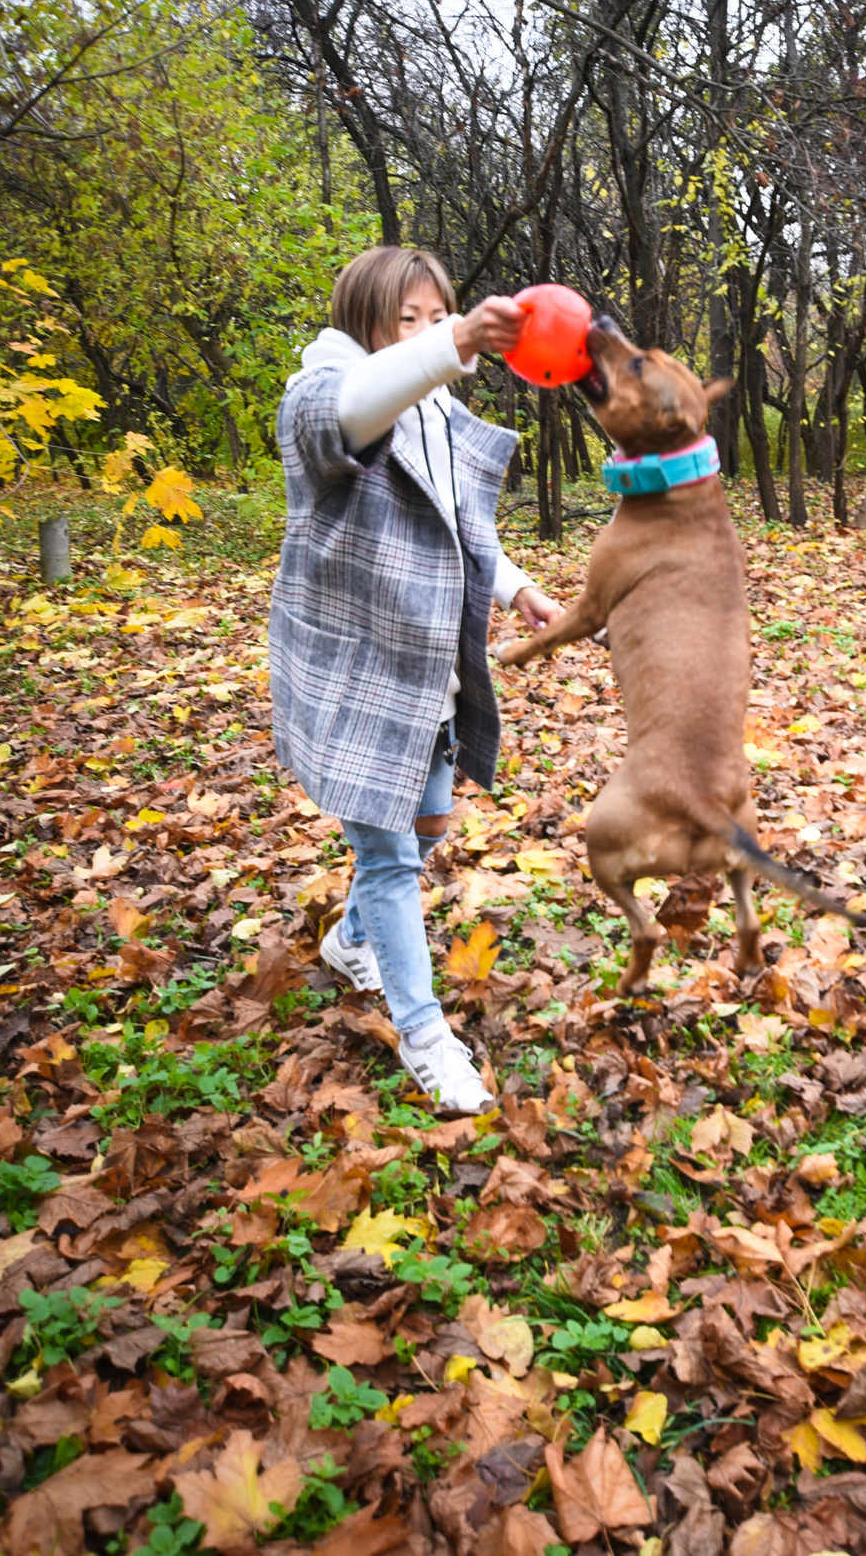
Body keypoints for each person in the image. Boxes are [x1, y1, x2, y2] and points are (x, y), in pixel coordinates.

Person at [270, 247, 560, 1112]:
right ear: (366, 317)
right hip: (358, 672)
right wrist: (461, 340)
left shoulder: (434, 409)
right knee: (391, 853)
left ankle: (351, 939)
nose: (432, 334)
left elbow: (462, 526)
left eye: (442, 316)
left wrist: (518, 588)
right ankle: (426, 1035)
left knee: (430, 823)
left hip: (430, 661)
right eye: (412, 320)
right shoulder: (319, 395)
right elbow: (357, 405)